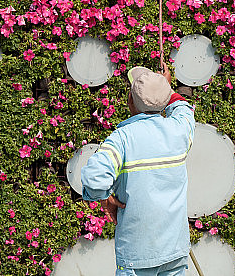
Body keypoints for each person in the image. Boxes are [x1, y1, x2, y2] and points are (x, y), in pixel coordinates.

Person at [80, 64, 195, 276]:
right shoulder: (180, 131)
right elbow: (183, 108)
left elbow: (94, 180)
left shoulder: (121, 139)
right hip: (175, 252)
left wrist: (106, 198)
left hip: (137, 256)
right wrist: (165, 87)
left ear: (130, 101)